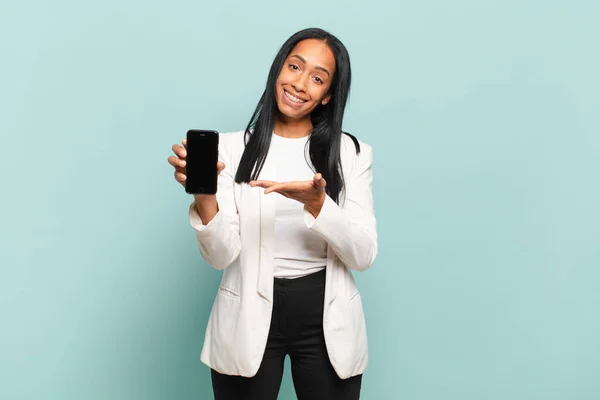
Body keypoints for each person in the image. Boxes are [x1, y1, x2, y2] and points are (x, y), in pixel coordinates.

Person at [168, 27, 378, 400]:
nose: (299, 84)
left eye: (317, 78)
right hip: (248, 313)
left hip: (325, 317)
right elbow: (221, 256)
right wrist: (205, 196)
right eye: (294, 66)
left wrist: (318, 205)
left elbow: (363, 255)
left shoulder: (351, 153)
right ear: (278, 68)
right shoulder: (231, 150)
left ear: (328, 95)